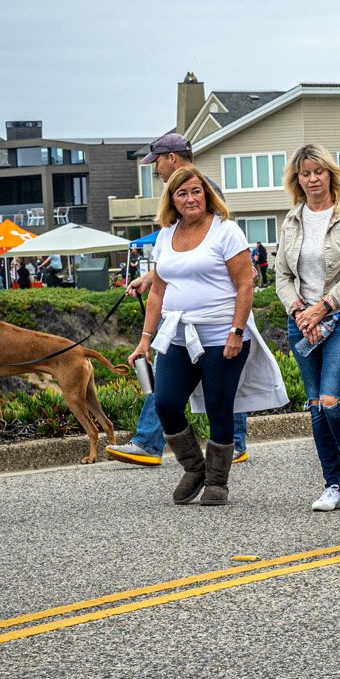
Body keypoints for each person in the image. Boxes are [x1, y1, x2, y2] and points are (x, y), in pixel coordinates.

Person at [125, 166, 284, 507]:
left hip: (222, 333)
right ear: (173, 200)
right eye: (182, 193)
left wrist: (236, 331)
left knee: (218, 405)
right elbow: (157, 293)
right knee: (166, 402)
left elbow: (245, 284)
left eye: (195, 191)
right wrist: (145, 338)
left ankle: (217, 481)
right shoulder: (166, 234)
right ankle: (195, 467)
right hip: (178, 334)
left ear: (206, 194)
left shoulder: (225, 231)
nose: (190, 198)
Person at [107, 132, 250, 465]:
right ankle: (228, 444)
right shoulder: (174, 218)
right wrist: (150, 278)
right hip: (179, 320)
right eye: (182, 194)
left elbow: (218, 259)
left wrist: (237, 329)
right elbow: (175, 253)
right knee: (186, 393)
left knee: (217, 395)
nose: (155, 169)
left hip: (216, 321)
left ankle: (152, 442)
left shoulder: (203, 190)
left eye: (156, 161)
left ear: (171, 157)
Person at [278, 144, 340, 512]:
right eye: (305, 173)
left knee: (333, 399)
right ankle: (333, 484)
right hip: (302, 322)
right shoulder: (291, 220)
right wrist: (300, 311)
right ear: (297, 179)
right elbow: (282, 276)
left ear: (330, 174)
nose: (312, 179)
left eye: (318, 171)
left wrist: (323, 308)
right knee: (317, 405)